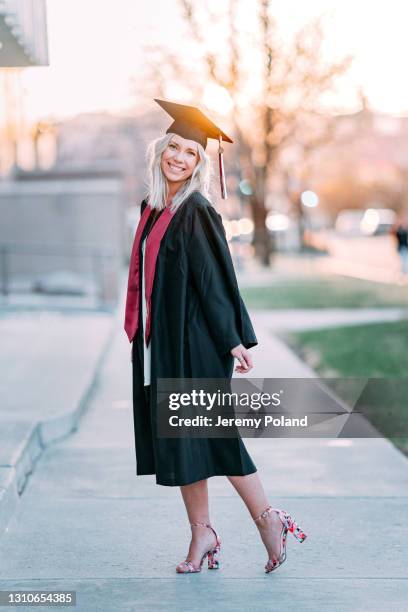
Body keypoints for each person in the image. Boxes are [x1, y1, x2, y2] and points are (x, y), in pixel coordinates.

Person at [124, 99, 307, 574]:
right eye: (174, 148)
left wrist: (232, 339)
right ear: (161, 151)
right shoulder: (153, 206)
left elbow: (215, 280)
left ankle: (269, 519)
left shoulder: (196, 210)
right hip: (161, 344)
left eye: (190, 152)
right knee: (185, 439)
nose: (180, 158)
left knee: (216, 436)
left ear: (201, 163)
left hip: (196, 345)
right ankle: (202, 534)